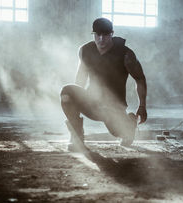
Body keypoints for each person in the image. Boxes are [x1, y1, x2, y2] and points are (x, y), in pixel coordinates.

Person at [60, 17, 147, 150]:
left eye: (105, 35)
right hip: (93, 103)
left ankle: (129, 124)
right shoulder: (85, 50)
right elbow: (80, 79)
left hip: (113, 108)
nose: (101, 39)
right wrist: (76, 103)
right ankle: (77, 136)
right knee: (67, 91)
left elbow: (140, 79)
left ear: (111, 34)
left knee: (118, 133)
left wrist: (142, 106)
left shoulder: (125, 54)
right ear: (93, 34)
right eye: (97, 35)